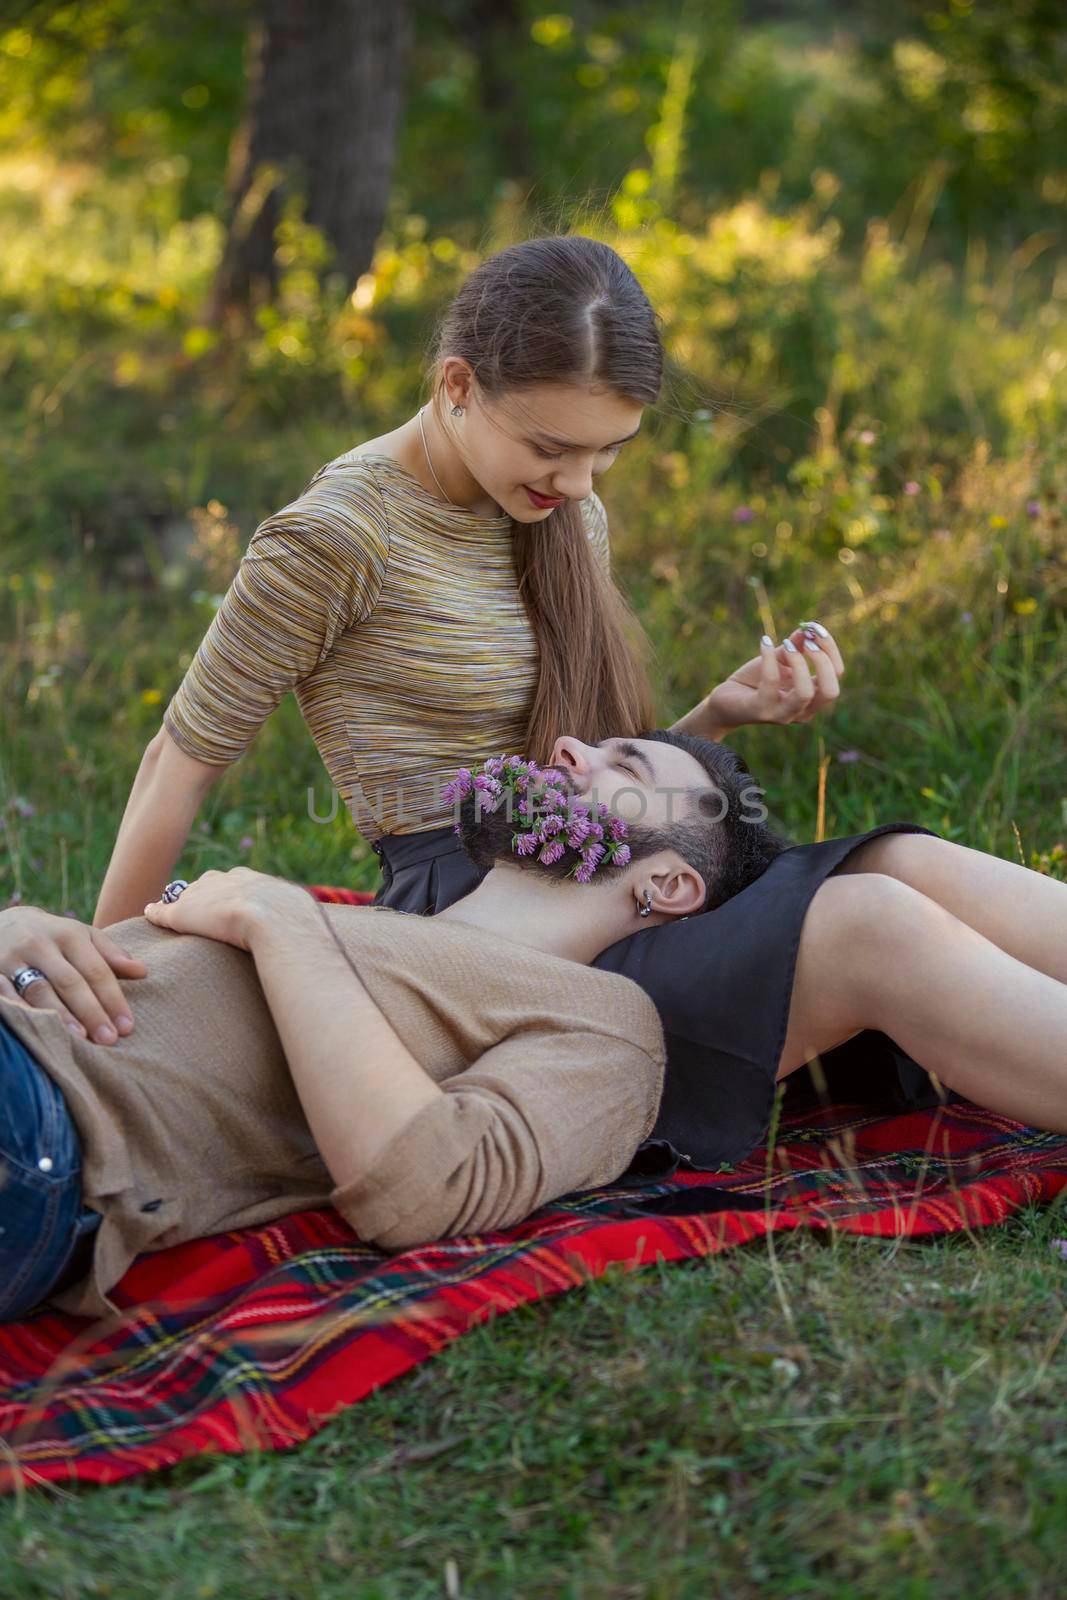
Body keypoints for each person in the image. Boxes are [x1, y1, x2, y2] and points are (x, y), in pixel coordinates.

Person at [84, 232, 854, 1170]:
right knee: (872, 923)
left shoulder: (561, 513)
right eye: (551, 448)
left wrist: (717, 718)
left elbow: (576, 780)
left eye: (607, 454)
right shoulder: (336, 539)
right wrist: (114, 983)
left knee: (893, 882)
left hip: (582, 876)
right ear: (456, 386)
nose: (575, 483)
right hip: (470, 912)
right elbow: (182, 759)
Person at [5, 731, 1067, 1324]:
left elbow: (421, 1189)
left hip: (43, 1125)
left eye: (624, 765)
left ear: (666, 882)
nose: (568, 742)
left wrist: (285, 928)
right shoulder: (371, 925)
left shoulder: (601, 1025)